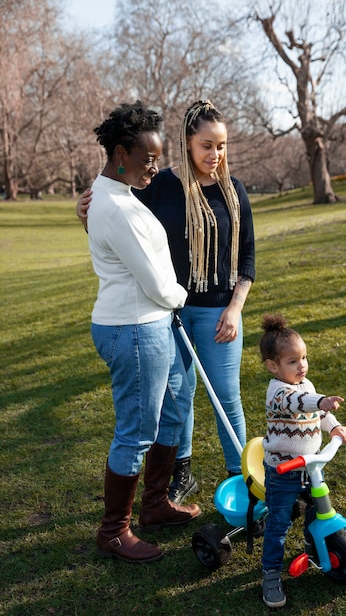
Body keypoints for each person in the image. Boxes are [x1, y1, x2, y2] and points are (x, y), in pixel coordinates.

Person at [77, 100, 256, 504]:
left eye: (222, 146)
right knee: (179, 395)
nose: (215, 155)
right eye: (207, 145)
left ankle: (245, 479)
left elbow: (247, 258)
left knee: (225, 397)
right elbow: (118, 225)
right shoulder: (159, 184)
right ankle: (182, 474)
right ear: (187, 143)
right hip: (168, 312)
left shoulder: (235, 191)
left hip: (219, 313)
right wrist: (83, 214)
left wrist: (234, 308)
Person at [86, 101, 200, 566]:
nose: (154, 167)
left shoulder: (119, 194)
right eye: (146, 158)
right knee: (136, 432)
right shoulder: (115, 206)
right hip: (133, 329)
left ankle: (154, 504)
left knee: (174, 409)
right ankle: (114, 531)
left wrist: (169, 301)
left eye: (157, 157)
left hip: (153, 325)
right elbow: (156, 283)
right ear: (119, 153)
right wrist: (180, 296)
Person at [259, 313, 346, 608]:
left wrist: (333, 424)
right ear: (273, 366)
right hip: (283, 470)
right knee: (279, 524)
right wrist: (320, 401)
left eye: (304, 358)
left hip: (310, 467)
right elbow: (299, 404)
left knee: (316, 510)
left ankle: (316, 547)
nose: (302, 366)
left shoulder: (306, 384)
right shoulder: (278, 392)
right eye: (293, 361)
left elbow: (319, 414)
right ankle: (271, 573)